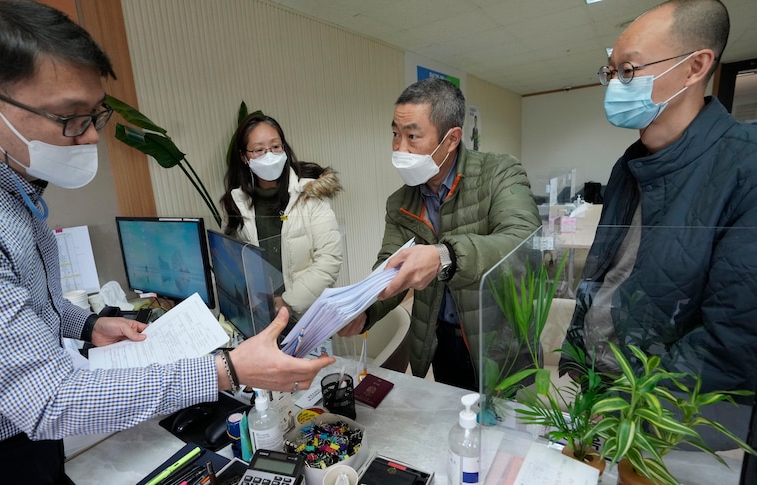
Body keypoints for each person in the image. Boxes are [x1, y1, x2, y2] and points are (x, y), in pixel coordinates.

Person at [0, 2, 333, 482]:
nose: (89, 141)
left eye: (93, 117)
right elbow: (47, 400)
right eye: (70, 119)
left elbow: (19, 296)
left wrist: (87, 325)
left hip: (18, 432)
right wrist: (226, 371)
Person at [561, 0, 757, 448]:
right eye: (609, 73)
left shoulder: (745, 167)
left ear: (695, 67)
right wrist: (578, 358)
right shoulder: (629, 165)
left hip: (667, 417)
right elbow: (605, 275)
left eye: (627, 71)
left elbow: (734, 336)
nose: (613, 85)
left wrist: (637, 415)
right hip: (603, 388)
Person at [338, 78, 541, 390]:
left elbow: (523, 245)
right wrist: (365, 310)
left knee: (506, 431)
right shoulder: (400, 202)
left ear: (451, 139)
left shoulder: (499, 174)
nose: (399, 148)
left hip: (500, 340)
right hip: (441, 341)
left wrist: (444, 256)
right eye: (395, 134)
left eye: (412, 136)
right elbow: (391, 266)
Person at [220, 113, 343, 318]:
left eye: (275, 147)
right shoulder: (235, 203)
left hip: (305, 313)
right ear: (244, 157)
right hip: (259, 314)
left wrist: (287, 302)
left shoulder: (310, 194)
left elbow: (329, 259)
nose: (269, 155)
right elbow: (234, 262)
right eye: (259, 150)